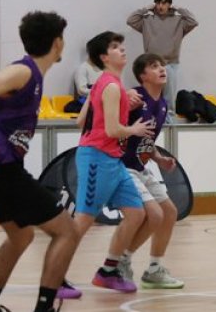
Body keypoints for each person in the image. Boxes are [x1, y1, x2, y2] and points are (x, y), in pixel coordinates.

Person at [0, 11, 81, 312]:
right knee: (67, 231)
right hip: (0, 169)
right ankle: (44, 307)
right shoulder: (23, 71)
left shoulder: (32, 75)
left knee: (21, 235)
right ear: (57, 42)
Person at [74, 31, 152, 294]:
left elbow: (80, 121)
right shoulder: (111, 86)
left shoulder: (106, 84)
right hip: (96, 158)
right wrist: (134, 129)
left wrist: (121, 105)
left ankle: (108, 271)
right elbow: (111, 130)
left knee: (137, 213)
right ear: (104, 57)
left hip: (112, 160)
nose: (122, 50)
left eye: (122, 46)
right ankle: (54, 277)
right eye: (115, 47)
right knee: (83, 220)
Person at [109, 52, 185, 289]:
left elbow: (145, 140)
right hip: (122, 166)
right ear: (143, 76)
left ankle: (154, 269)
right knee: (154, 214)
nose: (162, 69)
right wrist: (123, 97)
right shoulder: (135, 97)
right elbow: (112, 125)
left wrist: (159, 158)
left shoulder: (162, 104)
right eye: (154, 66)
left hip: (140, 166)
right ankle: (122, 260)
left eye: (162, 65)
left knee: (169, 212)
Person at [127, 0, 198, 107]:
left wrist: (178, 8)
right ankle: (152, 116)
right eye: (158, 3)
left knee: (169, 98)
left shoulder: (179, 21)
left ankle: (170, 117)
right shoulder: (147, 20)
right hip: (151, 64)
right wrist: (145, 9)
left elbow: (193, 21)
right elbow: (130, 20)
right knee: (151, 95)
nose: (160, 6)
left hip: (170, 63)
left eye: (164, 3)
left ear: (169, 4)